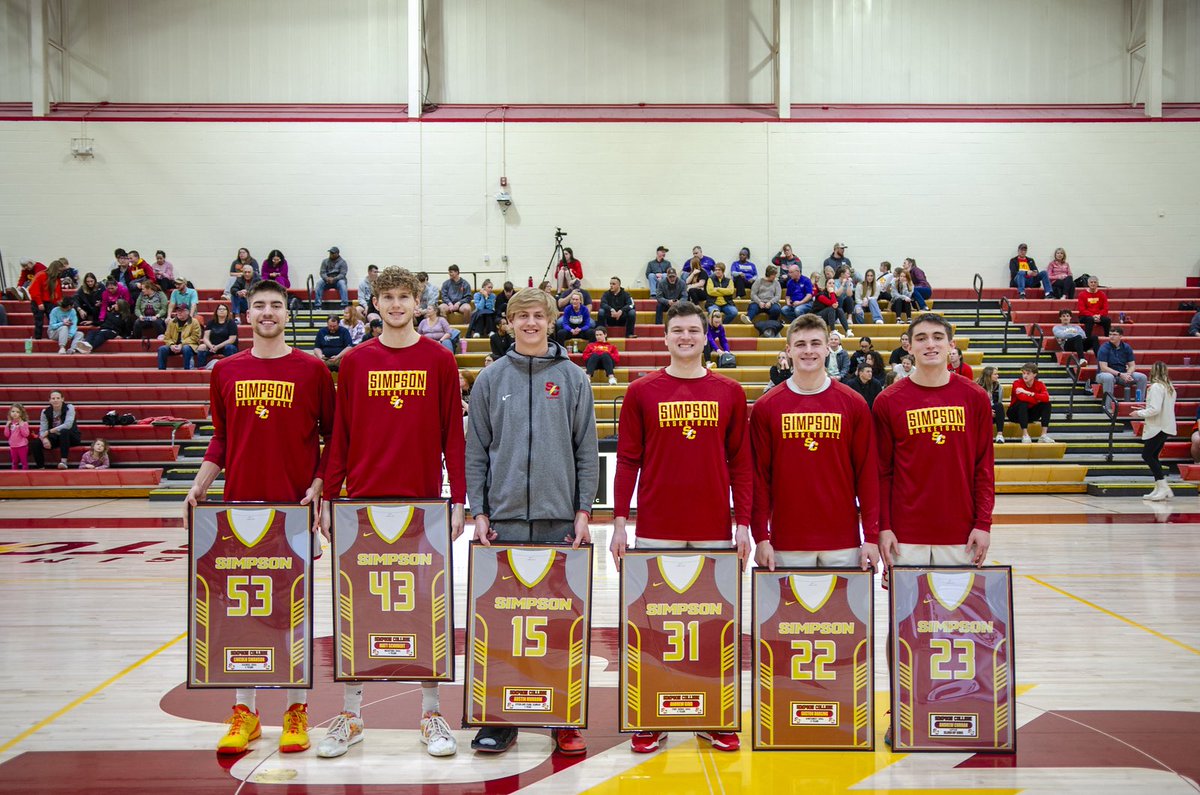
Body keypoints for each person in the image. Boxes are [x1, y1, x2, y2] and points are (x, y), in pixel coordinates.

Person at [319, 266, 466, 759]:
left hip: (423, 506)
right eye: (389, 297)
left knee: (426, 608)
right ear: (375, 304)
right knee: (357, 609)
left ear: (419, 303)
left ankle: (431, 713)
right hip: (361, 504)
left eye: (406, 296)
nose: (397, 304)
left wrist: (458, 499)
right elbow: (340, 435)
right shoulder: (356, 361)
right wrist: (329, 497)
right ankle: (351, 714)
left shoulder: (439, 359)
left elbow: (453, 435)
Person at [184, 278, 334, 756]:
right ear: (246, 315)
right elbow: (221, 438)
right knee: (242, 615)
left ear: (287, 313)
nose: (268, 312)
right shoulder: (226, 370)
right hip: (239, 512)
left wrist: (319, 486)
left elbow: (333, 439)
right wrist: (199, 484)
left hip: (294, 513)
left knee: (294, 615)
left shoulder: (312, 370)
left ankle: (295, 710)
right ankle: (244, 712)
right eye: (260, 305)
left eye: (275, 305)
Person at [609, 300, 751, 754]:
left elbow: (741, 463)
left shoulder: (729, 391)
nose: (686, 337)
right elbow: (627, 460)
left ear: (705, 336)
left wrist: (744, 524)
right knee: (654, 626)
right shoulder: (641, 391)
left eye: (693, 330)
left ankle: (714, 716)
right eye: (678, 330)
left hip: (713, 527)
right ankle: (652, 716)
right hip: (657, 525)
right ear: (666, 337)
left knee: (713, 626)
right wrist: (619, 522)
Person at [466, 287, 598, 756]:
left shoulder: (574, 378)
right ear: (508, 322)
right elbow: (476, 452)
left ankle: (564, 716)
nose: (530, 323)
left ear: (551, 320)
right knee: (501, 625)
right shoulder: (490, 378)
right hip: (502, 521)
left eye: (538, 315)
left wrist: (583, 511)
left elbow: (586, 451)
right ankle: (500, 718)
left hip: (559, 519)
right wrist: (479, 510)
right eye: (521, 316)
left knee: (560, 625)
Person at [750, 312, 880, 573]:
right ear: (788, 350)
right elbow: (759, 478)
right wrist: (761, 537)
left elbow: (867, 474)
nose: (808, 351)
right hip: (786, 541)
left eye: (815, 343)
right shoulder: (766, 407)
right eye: (800, 344)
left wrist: (871, 536)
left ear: (828, 348)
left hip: (843, 541)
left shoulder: (854, 403)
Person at [874, 313, 994, 562]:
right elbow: (882, 472)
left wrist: (983, 523)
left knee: (957, 591)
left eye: (938, 337)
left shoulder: (975, 397)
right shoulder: (887, 401)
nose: (930, 344)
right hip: (904, 534)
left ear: (951, 345)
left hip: (961, 532)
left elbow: (983, 467)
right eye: (921, 338)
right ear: (909, 347)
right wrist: (883, 526)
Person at [1134, 362, 1178, 501]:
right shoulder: (1169, 387)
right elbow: (1161, 407)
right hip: (1166, 425)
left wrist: (1139, 413)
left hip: (1158, 427)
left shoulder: (1156, 387)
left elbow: (1155, 409)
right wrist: (1146, 408)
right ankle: (1159, 487)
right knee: (1153, 456)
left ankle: (1164, 487)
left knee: (1147, 455)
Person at [32, 390, 80, 469]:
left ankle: (63, 462)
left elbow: (68, 425)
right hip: (55, 438)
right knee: (36, 442)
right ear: (49, 400)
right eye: (53, 398)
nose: (55, 400)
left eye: (58, 398)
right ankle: (41, 467)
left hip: (71, 437)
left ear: (62, 399)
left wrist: (49, 431)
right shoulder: (45, 412)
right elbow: (43, 430)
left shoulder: (69, 407)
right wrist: (44, 439)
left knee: (64, 432)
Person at [1008, 362, 1054, 444]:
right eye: (1023, 373)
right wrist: (1037, 399)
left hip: (1030, 414)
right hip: (1015, 414)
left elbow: (1046, 398)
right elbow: (1022, 397)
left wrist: (1029, 393)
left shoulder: (1040, 384)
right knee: (1023, 403)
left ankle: (1043, 435)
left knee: (1047, 404)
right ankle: (1025, 435)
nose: (1025, 376)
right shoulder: (1017, 383)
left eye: (1028, 373)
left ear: (1034, 374)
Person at [1096, 327, 1147, 402]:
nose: (1111, 336)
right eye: (1110, 334)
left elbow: (1132, 365)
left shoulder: (1126, 347)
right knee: (1108, 377)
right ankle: (1107, 406)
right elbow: (1103, 368)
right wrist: (1120, 374)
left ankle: (1139, 403)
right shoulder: (1104, 348)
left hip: (1122, 373)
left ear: (1120, 336)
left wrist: (1128, 374)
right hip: (1104, 374)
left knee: (1142, 377)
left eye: (1114, 334)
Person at [28, 259, 64, 340]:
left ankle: (54, 337)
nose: (60, 273)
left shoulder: (56, 279)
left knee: (53, 320)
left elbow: (58, 293)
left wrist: (59, 303)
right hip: (38, 301)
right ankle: (38, 339)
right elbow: (33, 290)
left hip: (50, 302)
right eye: (59, 271)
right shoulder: (41, 275)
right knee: (39, 322)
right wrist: (39, 302)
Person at [977, 367, 1006, 443]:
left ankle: (999, 435)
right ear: (989, 375)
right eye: (995, 374)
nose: (997, 376)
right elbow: (974, 405)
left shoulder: (999, 387)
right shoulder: (977, 386)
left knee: (999, 406)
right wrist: (987, 411)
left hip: (992, 413)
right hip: (980, 413)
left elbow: (998, 402)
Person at [4, 404, 30, 470]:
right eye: (13, 411)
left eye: (17, 412)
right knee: (14, 462)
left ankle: (25, 474)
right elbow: (6, 435)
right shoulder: (10, 423)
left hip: (22, 446)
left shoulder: (24, 423)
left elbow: (26, 434)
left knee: (24, 462)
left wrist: (21, 425)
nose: (15, 413)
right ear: (10, 413)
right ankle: (14, 474)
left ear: (21, 414)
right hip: (13, 446)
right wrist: (7, 426)